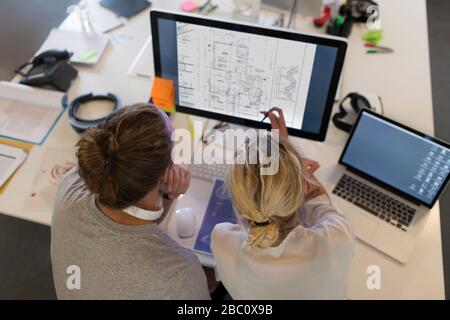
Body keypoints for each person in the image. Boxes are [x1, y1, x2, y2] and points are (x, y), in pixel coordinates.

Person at [51, 103, 210, 299]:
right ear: (165, 173)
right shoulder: (178, 273)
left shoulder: (69, 188)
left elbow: (132, 222)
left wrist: (165, 195)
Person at [211, 108, 355, 300]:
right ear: (304, 185)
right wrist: (288, 155)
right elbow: (323, 206)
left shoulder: (223, 242)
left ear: (238, 202)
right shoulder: (336, 239)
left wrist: (290, 164)